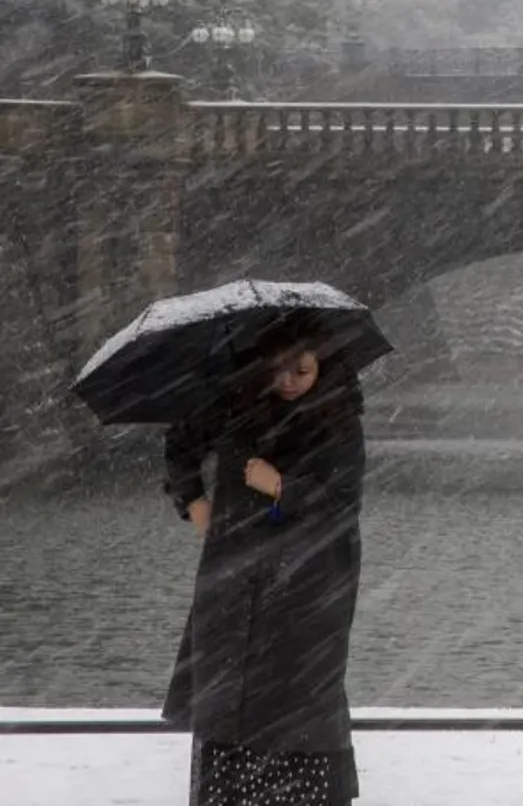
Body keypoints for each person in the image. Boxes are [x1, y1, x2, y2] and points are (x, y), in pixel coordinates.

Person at [162, 319, 369, 806]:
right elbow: (180, 443)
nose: (290, 382)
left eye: (302, 370)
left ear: (323, 365)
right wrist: (195, 504)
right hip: (234, 574)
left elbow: (342, 504)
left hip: (309, 584)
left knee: (300, 701)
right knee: (228, 692)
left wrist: (281, 486)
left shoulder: (339, 421)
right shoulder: (232, 407)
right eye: (280, 371)